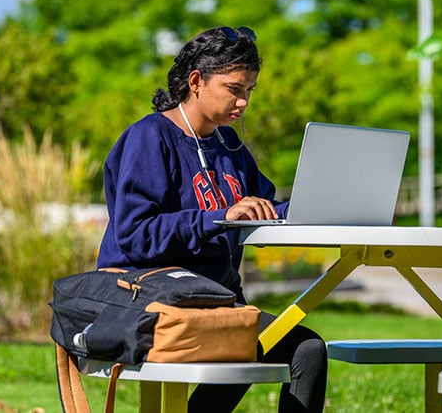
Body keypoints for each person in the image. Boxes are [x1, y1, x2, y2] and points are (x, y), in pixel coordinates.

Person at [97, 26, 327, 412]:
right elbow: (135, 235)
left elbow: (264, 209)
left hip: (218, 306)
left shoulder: (230, 145)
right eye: (234, 89)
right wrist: (219, 217)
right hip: (152, 306)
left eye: (249, 91)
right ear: (196, 81)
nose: (243, 103)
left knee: (306, 350)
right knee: (254, 346)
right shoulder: (150, 138)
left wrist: (320, 208)